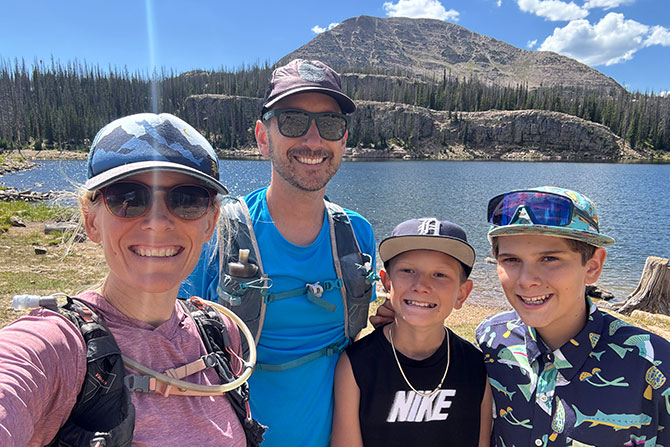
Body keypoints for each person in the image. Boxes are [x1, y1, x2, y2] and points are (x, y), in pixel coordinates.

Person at [0, 113, 265, 446]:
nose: (158, 222)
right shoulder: (56, 349)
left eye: (187, 200)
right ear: (91, 220)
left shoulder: (220, 333)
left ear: (210, 222)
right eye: (128, 198)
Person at [180, 59, 376, 446]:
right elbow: (172, 346)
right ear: (263, 137)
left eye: (330, 124)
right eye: (292, 121)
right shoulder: (215, 233)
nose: (313, 141)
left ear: (343, 141)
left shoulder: (357, 234)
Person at [476, 186, 670, 446]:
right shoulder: (490, 340)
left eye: (549, 259)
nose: (526, 280)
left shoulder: (654, 363)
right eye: (511, 260)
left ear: (592, 266)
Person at [332, 217, 493, 447]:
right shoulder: (356, 364)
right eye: (407, 270)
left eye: (440, 274)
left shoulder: (475, 365)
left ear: (462, 293)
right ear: (387, 283)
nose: (421, 285)